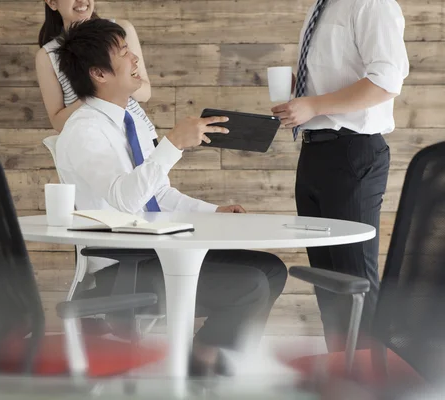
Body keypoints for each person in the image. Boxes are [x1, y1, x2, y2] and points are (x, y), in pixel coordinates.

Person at [54, 18, 288, 376]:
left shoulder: (128, 120)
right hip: (121, 269)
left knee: (271, 269)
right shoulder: (84, 130)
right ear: (99, 73)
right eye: (123, 52)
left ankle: (207, 362)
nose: (135, 59)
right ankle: (204, 371)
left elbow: (157, 194)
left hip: (156, 253)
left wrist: (213, 212)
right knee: (249, 285)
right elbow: (125, 200)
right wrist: (174, 142)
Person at [271, 0, 409, 351]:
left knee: (353, 280)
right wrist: (301, 91)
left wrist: (314, 105)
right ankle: (341, 374)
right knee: (327, 282)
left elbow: (386, 81)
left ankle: (367, 381)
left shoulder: (370, 3)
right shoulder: (321, 6)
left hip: (353, 153)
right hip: (314, 150)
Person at [35, 0, 153, 133]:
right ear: (52, 3)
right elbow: (58, 124)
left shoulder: (121, 30)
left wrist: (119, 81)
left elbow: (145, 94)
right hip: (94, 142)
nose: (82, 1)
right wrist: (98, 93)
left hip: (142, 136)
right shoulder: (47, 56)